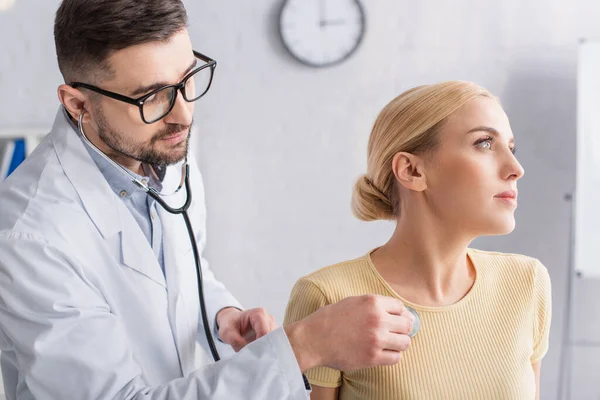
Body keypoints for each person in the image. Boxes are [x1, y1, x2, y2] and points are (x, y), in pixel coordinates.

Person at [0, 1, 415, 399]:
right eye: (151, 96)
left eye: (186, 79)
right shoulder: (30, 237)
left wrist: (220, 316)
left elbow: (182, 266)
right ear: (78, 104)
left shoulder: (159, 147)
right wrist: (305, 345)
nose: (182, 114)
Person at [284, 81, 552, 400]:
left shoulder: (526, 283)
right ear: (411, 170)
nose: (516, 168)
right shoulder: (328, 296)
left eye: (512, 147)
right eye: (484, 143)